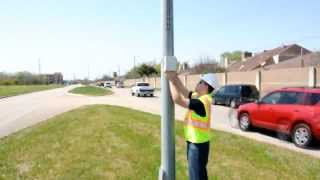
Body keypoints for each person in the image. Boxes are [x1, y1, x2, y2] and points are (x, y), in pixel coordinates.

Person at [165, 71, 219, 180]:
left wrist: (170, 81)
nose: (197, 83)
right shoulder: (199, 96)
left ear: (206, 86)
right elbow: (184, 92)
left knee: (196, 176)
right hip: (196, 143)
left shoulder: (202, 102)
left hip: (198, 145)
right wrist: (175, 77)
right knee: (198, 174)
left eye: (200, 81)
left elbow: (178, 99)